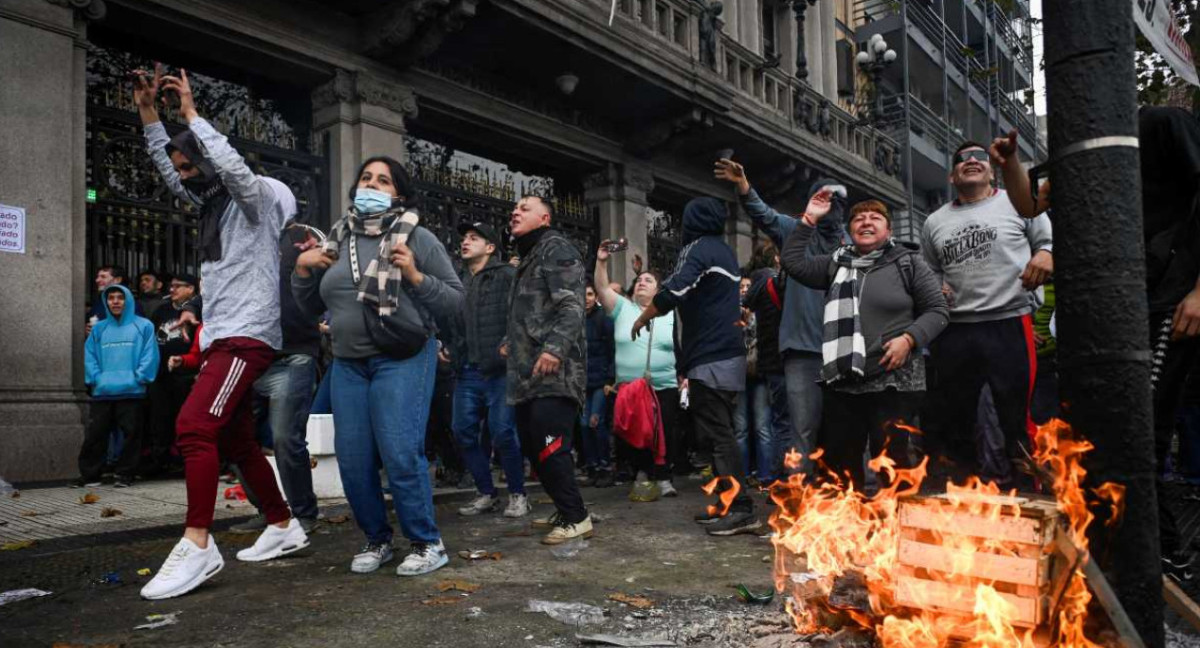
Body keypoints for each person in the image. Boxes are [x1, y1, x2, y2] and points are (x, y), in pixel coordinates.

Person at [135, 65, 308, 601]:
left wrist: (191, 113)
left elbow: (230, 167)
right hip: (221, 337)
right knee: (234, 437)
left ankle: (198, 542)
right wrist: (149, 115)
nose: (185, 173)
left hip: (246, 337)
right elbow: (172, 171)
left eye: (193, 164)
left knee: (193, 428)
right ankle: (282, 524)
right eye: (184, 165)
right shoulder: (210, 206)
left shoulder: (254, 205)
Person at [293, 155, 464, 576]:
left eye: (383, 180)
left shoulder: (417, 237)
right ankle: (377, 539)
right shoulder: (336, 240)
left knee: (399, 450)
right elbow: (312, 305)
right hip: (348, 363)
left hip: (402, 357)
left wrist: (417, 277)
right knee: (353, 458)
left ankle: (427, 542)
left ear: (399, 193)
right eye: (366, 177)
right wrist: (301, 270)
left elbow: (458, 304)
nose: (372, 184)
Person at [782, 197, 948, 489]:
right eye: (859, 218)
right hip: (845, 380)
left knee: (890, 459)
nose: (866, 222)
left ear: (889, 229)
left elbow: (937, 310)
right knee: (841, 462)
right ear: (850, 229)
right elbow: (793, 263)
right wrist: (809, 219)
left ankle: (895, 524)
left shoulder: (908, 262)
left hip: (894, 379)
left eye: (875, 217)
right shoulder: (836, 263)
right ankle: (855, 527)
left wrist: (909, 340)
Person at [918, 139, 1053, 489]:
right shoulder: (934, 221)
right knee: (956, 418)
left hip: (1009, 322)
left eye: (979, 158)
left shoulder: (1017, 202)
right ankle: (965, 494)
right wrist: (936, 288)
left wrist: (1045, 255)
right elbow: (929, 270)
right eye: (962, 159)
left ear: (992, 170)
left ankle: (1027, 492)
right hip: (956, 330)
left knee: (1016, 418)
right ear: (952, 176)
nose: (972, 162)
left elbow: (1049, 242)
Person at [631, 197, 759, 536]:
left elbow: (675, 288)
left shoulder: (698, 248)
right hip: (722, 355)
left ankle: (741, 507)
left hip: (712, 355)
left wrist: (644, 315)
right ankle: (728, 504)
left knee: (718, 434)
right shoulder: (725, 250)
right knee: (715, 433)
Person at [714, 159, 846, 476]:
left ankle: (840, 504)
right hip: (801, 351)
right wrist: (744, 186)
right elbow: (764, 214)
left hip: (844, 350)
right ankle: (801, 506)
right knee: (801, 432)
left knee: (842, 431)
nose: (831, 207)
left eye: (837, 201)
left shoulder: (853, 243)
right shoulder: (796, 231)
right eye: (823, 199)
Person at [503, 195, 593, 545]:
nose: (515, 212)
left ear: (545, 218)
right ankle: (564, 507)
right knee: (532, 443)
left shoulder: (555, 247)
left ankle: (576, 517)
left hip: (558, 372)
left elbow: (571, 306)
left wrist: (555, 348)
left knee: (549, 445)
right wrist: (509, 341)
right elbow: (531, 311)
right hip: (529, 375)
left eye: (525, 208)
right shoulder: (530, 256)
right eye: (515, 208)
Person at [229, 224, 324, 534]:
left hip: (293, 354)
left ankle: (303, 514)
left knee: (285, 438)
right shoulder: (241, 241)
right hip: (250, 355)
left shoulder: (302, 234)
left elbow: (332, 275)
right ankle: (270, 511)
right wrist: (192, 306)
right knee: (236, 435)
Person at [449, 221, 529, 518]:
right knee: (462, 431)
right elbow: (452, 321)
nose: (466, 242)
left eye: (474, 238)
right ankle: (487, 492)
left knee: (503, 432)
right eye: (464, 238)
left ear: (491, 247)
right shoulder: (458, 281)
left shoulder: (507, 275)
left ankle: (518, 494)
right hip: (467, 370)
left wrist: (511, 341)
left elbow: (522, 311)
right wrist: (448, 346)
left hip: (500, 370)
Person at [594, 243, 680, 499]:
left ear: (659, 289)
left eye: (649, 280)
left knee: (664, 430)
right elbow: (601, 288)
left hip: (663, 384)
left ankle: (664, 476)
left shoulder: (671, 312)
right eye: (639, 280)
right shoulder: (622, 308)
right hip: (630, 387)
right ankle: (643, 471)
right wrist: (601, 262)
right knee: (635, 431)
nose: (642, 282)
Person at [78, 284, 159, 488]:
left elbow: (150, 355)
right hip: (103, 391)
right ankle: (91, 475)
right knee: (96, 435)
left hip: (133, 390)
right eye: (111, 297)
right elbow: (90, 356)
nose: (115, 301)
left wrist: (139, 377)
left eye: (120, 298)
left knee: (131, 436)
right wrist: (96, 378)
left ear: (128, 301)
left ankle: (125, 474)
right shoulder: (98, 328)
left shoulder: (144, 326)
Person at [143, 273, 202, 476]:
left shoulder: (199, 313)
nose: (172, 289)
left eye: (178, 286)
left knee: (185, 420)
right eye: (171, 285)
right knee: (160, 420)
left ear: (191, 289)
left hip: (187, 375)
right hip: (162, 374)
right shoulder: (162, 310)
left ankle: (185, 463)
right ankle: (161, 462)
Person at [742, 241, 791, 481]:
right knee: (786, 424)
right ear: (777, 260)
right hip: (786, 360)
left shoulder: (756, 286)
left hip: (769, 363)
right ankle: (785, 480)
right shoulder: (777, 283)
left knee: (776, 422)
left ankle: (775, 477)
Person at [734, 272, 772, 485]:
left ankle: (766, 474)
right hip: (738, 374)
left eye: (748, 286)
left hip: (760, 372)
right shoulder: (732, 312)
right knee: (740, 428)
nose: (744, 289)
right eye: (741, 286)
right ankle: (743, 474)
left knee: (762, 426)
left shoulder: (763, 309)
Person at [581, 283, 616, 487]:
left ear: (596, 296)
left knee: (596, 423)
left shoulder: (604, 319)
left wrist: (610, 380)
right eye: (582, 294)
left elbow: (612, 350)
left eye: (589, 294)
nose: (585, 298)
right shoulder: (574, 319)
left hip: (601, 382)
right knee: (584, 426)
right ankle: (592, 466)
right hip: (581, 383)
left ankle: (605, 467)